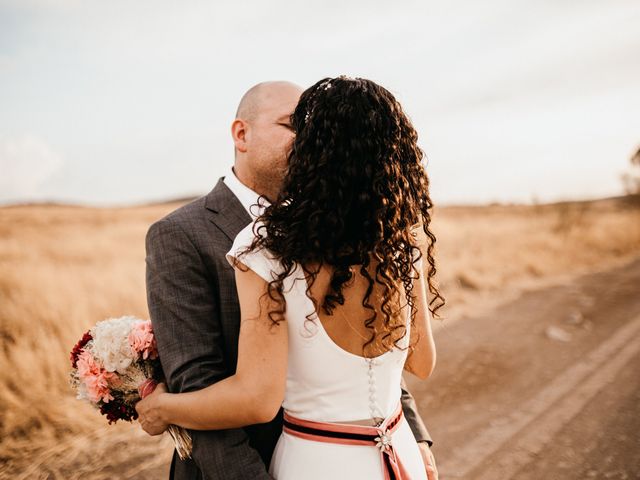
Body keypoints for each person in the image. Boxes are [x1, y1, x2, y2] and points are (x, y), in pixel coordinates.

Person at [140, 78, 440, 479]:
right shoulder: (180, 234)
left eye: (310, 129)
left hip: (335, 456)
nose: (303, 139)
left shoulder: (343, 230)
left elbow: (378, 355)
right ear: (241, 134)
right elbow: (197, 382)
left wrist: (415, 436)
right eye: (291, 124)